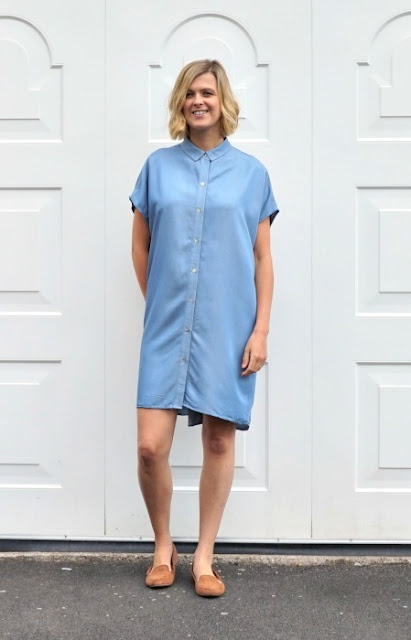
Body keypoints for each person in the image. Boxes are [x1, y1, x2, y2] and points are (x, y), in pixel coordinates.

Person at [129, 59, 279, 597]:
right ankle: (163, 545)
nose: (199, 101)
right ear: (180, 100)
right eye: (191, 92)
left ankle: (206, 557)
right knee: (151, 447)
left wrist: (260, 331)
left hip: (227, 327)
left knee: (218, 439)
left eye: (208, 92)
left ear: (223, 101)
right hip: (167, 326)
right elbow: (141, 246)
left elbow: (262, 258)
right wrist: (159, 304)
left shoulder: (252, 175)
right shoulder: (156, 168)